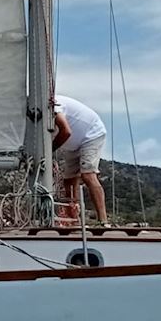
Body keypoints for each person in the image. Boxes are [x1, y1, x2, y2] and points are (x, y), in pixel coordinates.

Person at [53, 95, 109, 225]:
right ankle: (73, 220)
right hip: (72, 144)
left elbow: (66, 131)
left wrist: (50, 150)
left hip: (91, 134)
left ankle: (103, 220)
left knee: (88, 175)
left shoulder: (52, 106)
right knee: (69, 182)